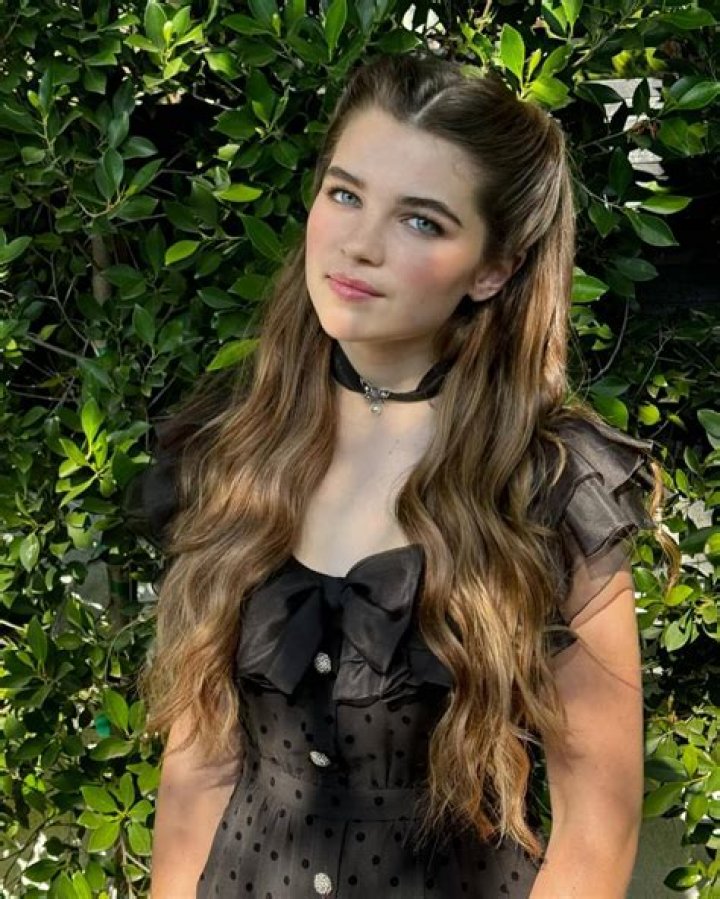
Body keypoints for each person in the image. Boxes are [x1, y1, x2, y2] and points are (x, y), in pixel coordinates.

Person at [125, 50, 677, 898]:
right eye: (345, 195)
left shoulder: (551, 485)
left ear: (493, 269)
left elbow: (598, 829)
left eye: (421, 221)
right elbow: (198, 768)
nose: (359, 244)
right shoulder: (233, 446)